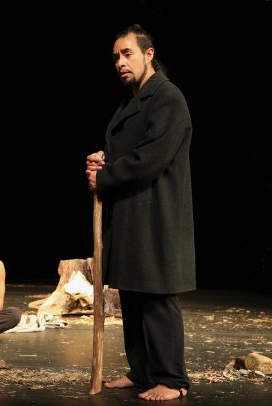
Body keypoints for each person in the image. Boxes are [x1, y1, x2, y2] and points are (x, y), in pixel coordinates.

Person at [86, 24, 195, 401]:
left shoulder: (167, 98)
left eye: (127, 53)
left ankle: (172, 379)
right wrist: (104, 160)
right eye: (116, 56)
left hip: (156, 213)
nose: (120, 62)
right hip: (132, 212)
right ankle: (142, 371)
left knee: (157, 295)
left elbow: (151, 158)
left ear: (149, 54)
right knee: (132, 293)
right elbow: (129, 149)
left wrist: (106, 177)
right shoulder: (133, 101)